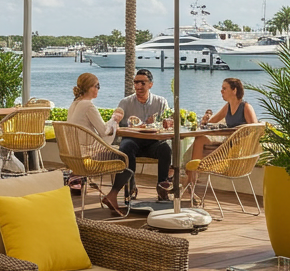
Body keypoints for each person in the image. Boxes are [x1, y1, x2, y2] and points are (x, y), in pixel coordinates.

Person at [184, 77, 259, 195]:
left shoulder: (246, 107)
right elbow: (211, 122)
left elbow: (255, 129)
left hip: (239, 149)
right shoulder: (227, 107)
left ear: (234, 90)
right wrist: (205, 120)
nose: (221, 91)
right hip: (226, 145)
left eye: (224, 88)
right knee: (200, 141)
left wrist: (237, 130)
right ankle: (191, 182)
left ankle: (190, 182)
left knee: (197, 149)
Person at [68, 72, 128, 216]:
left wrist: (112, 122)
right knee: (126, 156)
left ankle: (119, 194)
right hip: (88, 156)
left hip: (73, 156)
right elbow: (104, 132)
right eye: (97, 86)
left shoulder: (74, 104)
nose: (98, 89)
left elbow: (100, 131)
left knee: (123, 152)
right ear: (89, 87)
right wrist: (114, 119)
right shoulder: (88, 105)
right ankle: (117, 195)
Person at [116, 69, 174, 201]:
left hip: (152, 142)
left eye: (142, 83)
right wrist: (134, 126)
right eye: (136, 82)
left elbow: (168, 123)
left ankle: (162, 187)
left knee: (166, 149)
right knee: (126, 147)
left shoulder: (160, 102)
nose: (138, 86)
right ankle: (130, 188)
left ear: (150, 84)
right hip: (132, 140)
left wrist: (167, 123)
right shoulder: (125, 102)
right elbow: (118, 125)